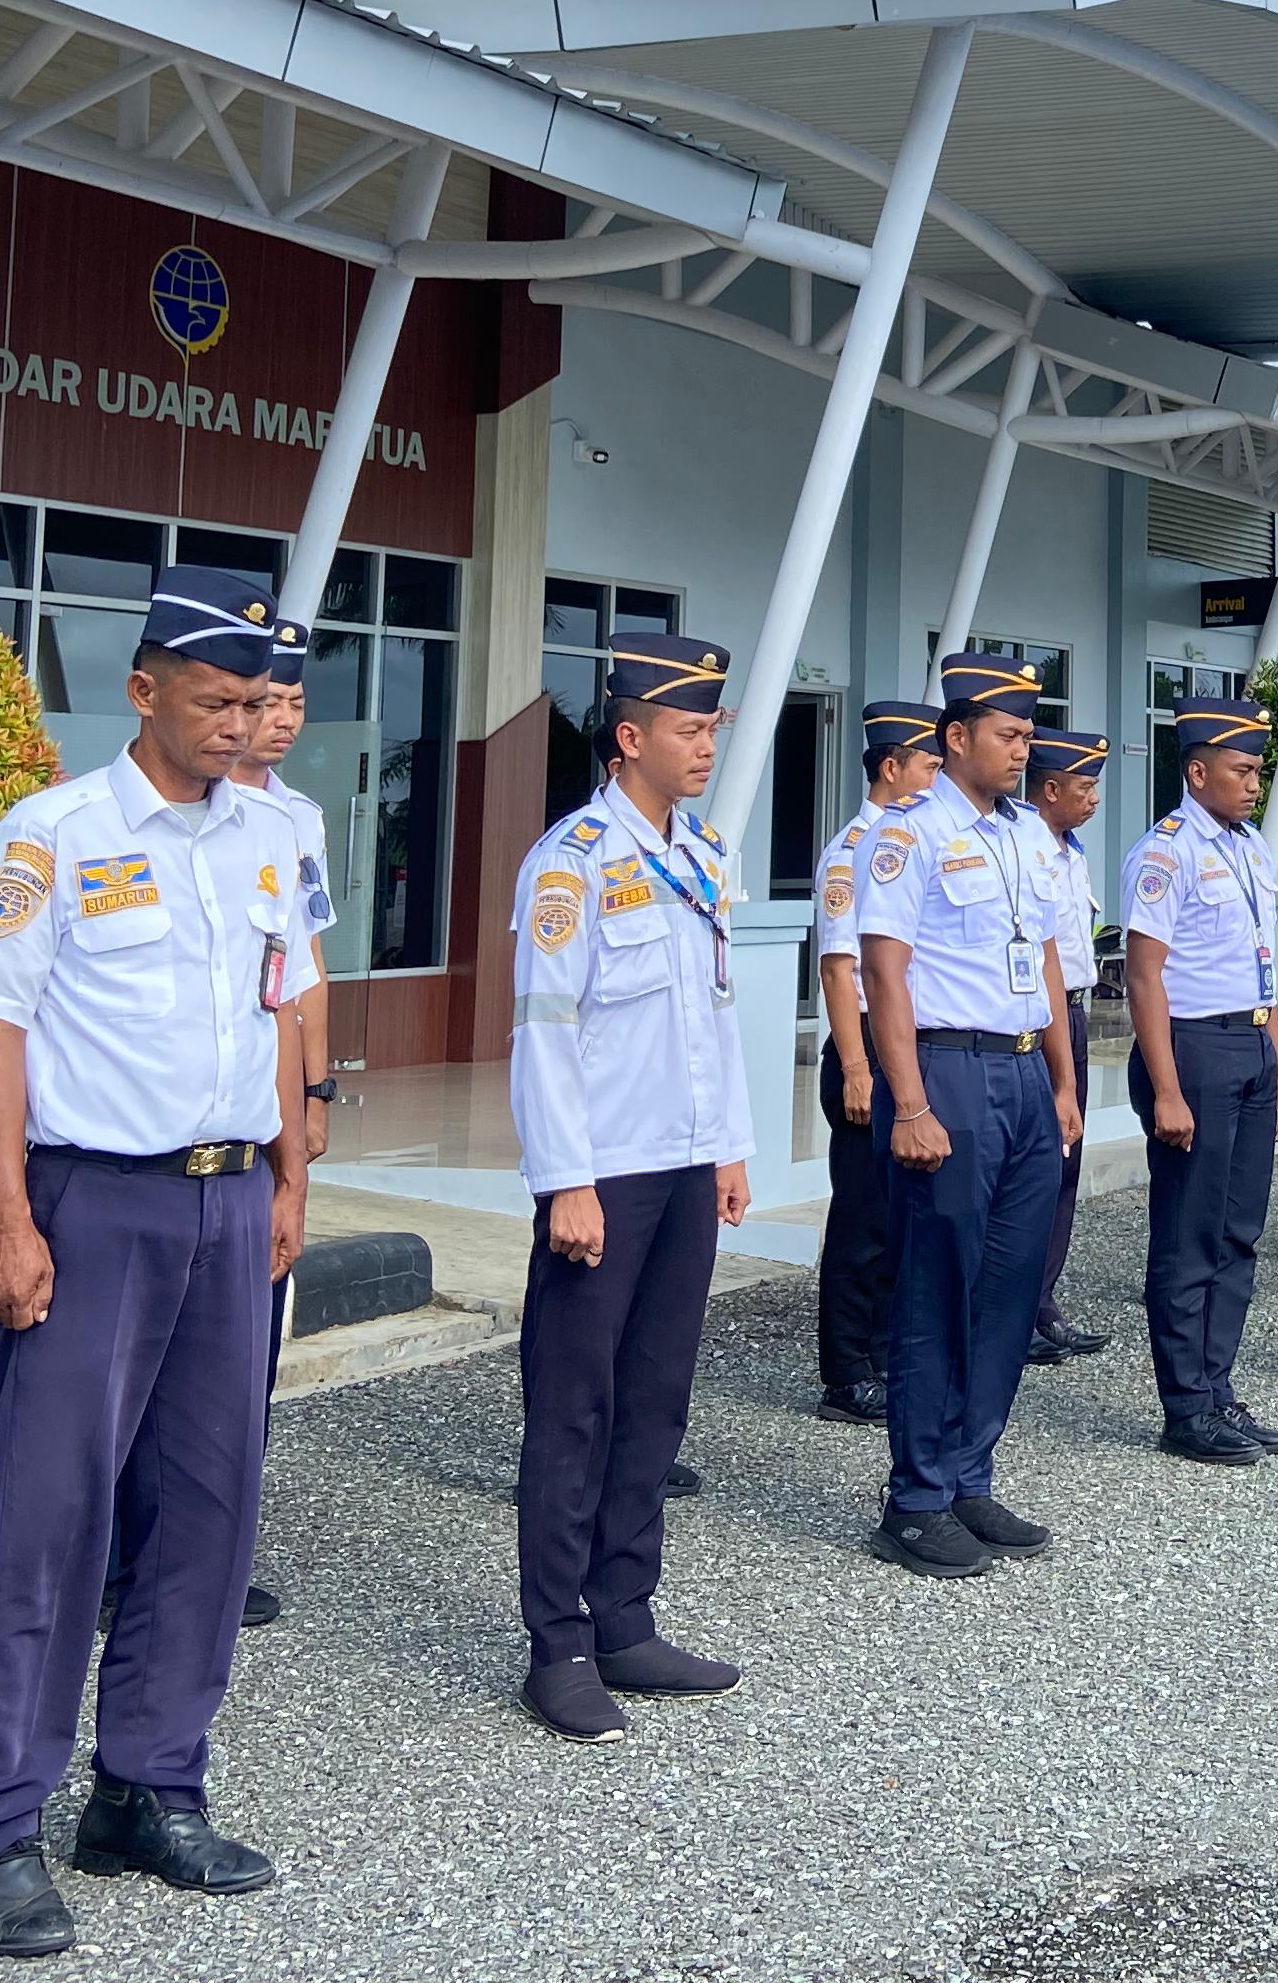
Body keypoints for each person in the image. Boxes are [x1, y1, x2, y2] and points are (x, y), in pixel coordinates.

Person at [0, 567, 309, 1958]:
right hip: (96, 1206)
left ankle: (149, 1785)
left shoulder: (270, 838)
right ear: (142, 689)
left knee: (210, 1513)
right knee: (50, 1522)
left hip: (226, 1207)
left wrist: (288, 1176)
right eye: (212, 699)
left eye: (252, 701)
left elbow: (284, 1014)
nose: (236, 722)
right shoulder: (55, 834)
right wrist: (5, 1219)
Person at [505, 632, 754, 1744]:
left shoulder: (698, 852)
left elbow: (716, 1014)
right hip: (602, 1175)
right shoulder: (569, 861)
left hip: (687, 1166)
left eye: (712, 727)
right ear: (631, 736)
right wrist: (566, 1182)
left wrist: (732, 1147)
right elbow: (544, 1034)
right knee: (576, 1409)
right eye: (692, 729)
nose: (708, 745)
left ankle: (626, 1617)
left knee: (655, 1400)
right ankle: (554, 1643)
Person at [853, 652, 1081, 1576]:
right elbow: (882, 970)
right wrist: (907, 1100)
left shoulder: (1029, 835)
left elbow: (1054, 962)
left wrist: (1065, 1085)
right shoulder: (906, 835)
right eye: (1010, 733)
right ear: (955, 737)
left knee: (1008, 1288)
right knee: (935, 1287)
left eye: (1030, 734)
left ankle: (969, 1476)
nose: (1025, 749)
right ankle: (914, 1499)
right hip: (948, 1073)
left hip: (1026, 1075)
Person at [1122, 697, 1278, 1463]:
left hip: (1251, 1045)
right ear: (1197, 772)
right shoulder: (1166, 852)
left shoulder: (1251, 846)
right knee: (1191, 1237)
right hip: (1194, 1051)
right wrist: (1165, 1087)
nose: (1255, 784)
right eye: (1242, 770)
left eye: (1259, 770)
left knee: (1239, 1235)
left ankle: (1219, 1388)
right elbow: (1144, 976)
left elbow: (1265, 965)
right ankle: (1185, 1407)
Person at [225, 619, 336, 1626]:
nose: (281, 720)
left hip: (268, 1112)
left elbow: (303, 979)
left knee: (245, 1348)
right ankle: (126, 1556)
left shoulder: (295, 822)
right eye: (265, 703)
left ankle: (209, 1550)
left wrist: (315, 1094)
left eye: (295, 703)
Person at [810, 705, 943, 1424]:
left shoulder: (916, 839)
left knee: (900, 1217)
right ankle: (846, 1370)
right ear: (891, 767)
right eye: (928, 765)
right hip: (863, 1040)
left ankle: (889, 1352)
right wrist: (858, 1067)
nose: (936, 778)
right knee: (862, 1218)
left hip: (905, 1038)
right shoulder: (851, 850)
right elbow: (839, 968)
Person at [1021, 725, 1114, 1370]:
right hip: (1035, 1018)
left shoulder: (1069, 849)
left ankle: (1042, 1303)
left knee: (1066, 1164)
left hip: (1074, 1012)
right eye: (1084, 787)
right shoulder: (1024, 845)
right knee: (1034, 1165)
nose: (1094, 800)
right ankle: (1014, 1307)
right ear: (1049, 788)